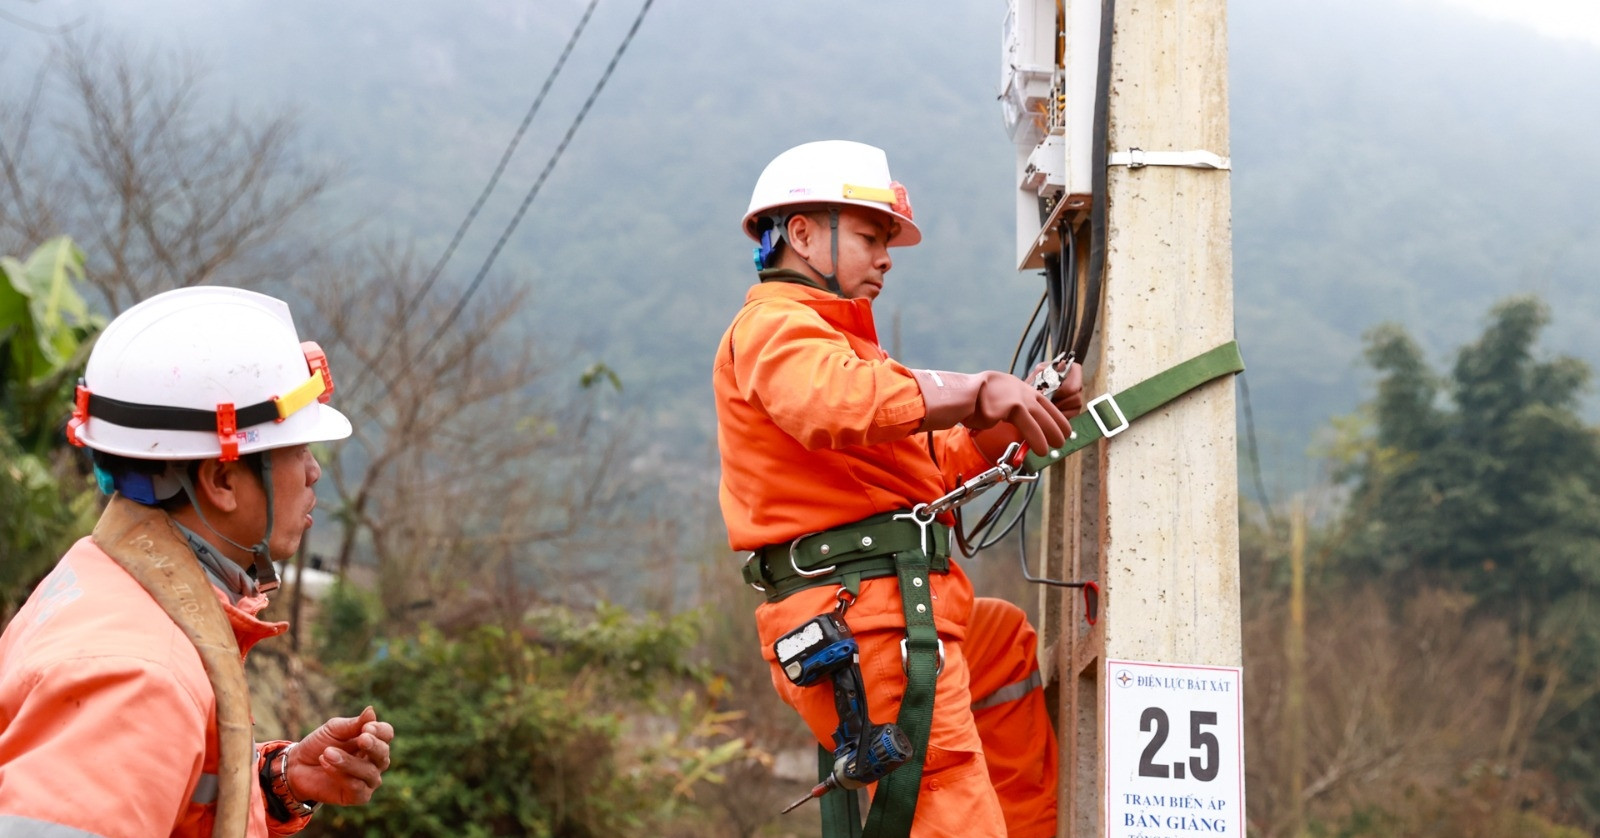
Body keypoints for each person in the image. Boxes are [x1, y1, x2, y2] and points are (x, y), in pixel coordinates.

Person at [713, 140, 1084, 838]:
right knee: (951, 812)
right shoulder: (775, 326)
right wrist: (974, 391)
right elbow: (836, 403)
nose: (886, 257)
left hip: (891, 608)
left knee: (999, 639)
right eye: (869, 237)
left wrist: (1023, 412)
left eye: (887, 241)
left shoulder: (853, 352)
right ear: (800, 233)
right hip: (865, 621)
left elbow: (930, 463)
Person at [0, 286, 394, 837]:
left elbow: (159, 790)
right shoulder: (139, 675)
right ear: (222, 480)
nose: (313, 473)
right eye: (298, 451)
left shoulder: (106, 576)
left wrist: (282, 781)